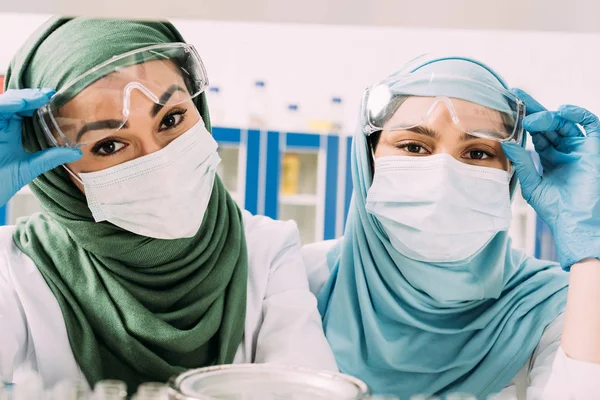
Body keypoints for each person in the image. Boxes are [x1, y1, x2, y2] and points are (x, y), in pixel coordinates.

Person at [0, 17, 336, 393]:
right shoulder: (15, 269)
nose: (158, 161)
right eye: (108, 145)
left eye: (172, 118)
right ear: (59, 173)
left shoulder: (267, 250)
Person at [303, 55, 600, 399]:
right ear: (368, 160)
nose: (443, 175)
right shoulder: (302, 280)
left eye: (477, 153)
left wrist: (591, 257)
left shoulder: (550, 306)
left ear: (510, 174)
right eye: (413, 146)